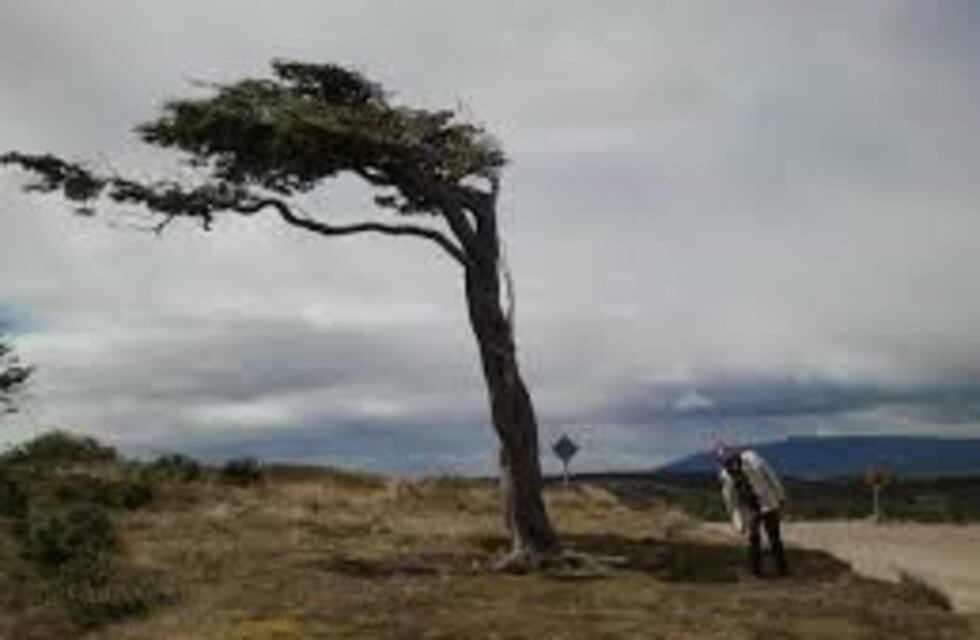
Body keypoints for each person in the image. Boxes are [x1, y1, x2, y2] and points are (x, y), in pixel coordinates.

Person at [716, 444, 789, 577]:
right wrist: (738, 523)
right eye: (727, 462)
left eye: (732, 459)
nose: (732, 464)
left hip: (768, 501)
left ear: (735, 454)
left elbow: (770, 475)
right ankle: (756, 572)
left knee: (775, 537)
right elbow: (730, 502)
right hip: (749, 508)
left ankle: (783, 569)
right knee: (754, 539)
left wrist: (780, 495)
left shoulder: (753, 458)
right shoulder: (726, 476)